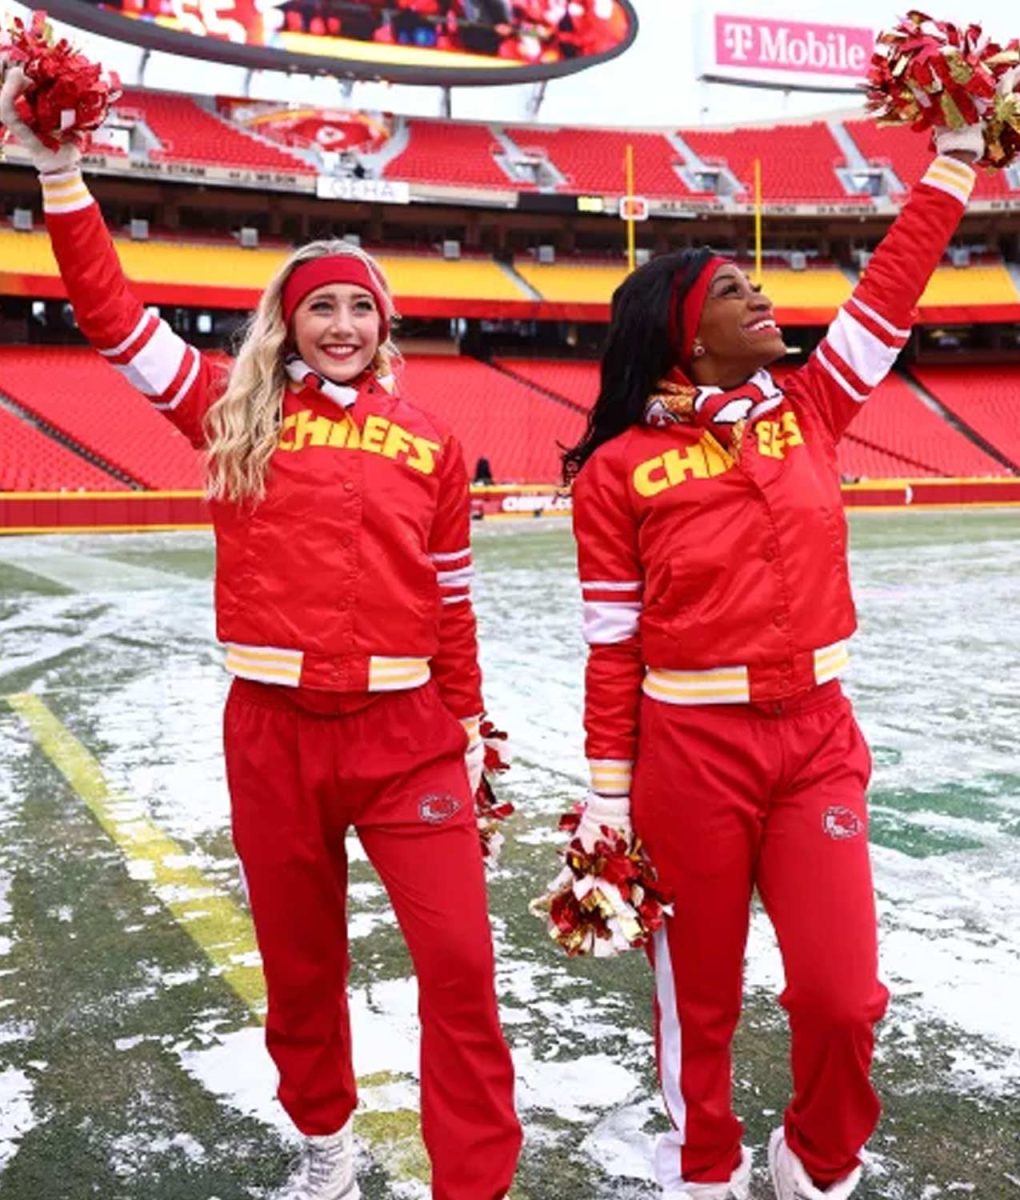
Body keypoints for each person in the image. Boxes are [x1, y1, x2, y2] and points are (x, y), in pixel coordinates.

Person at [0, 66, 521, 1200]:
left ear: (386, 322)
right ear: (289, 318)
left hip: (408, 736)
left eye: (359, 306)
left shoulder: (430, 439)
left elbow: (451, 600)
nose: (340, 324)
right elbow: (107, 313)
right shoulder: (228, 409)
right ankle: (324, 1134)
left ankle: (474, 1180)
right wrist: (60, 170)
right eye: (320, 305)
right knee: (300, 964)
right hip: (274, 732)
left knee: (462, 966)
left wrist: (475, 728)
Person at [560, 130, 981, 1199]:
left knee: (844, 996)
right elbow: (611, 648)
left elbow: (888, 295)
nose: (765, 300)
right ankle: (704, 1165)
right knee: (698, 998)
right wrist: (608, 798)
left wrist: (955, 162)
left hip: (817, 742)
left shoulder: (811, 410)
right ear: (681, 330)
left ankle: (817, 1157)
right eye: (736, 291)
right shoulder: (617, 473)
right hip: (687, 755)